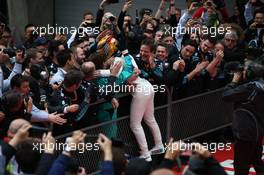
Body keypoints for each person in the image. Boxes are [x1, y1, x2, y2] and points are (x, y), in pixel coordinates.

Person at [222, 62, 264, 175]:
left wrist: (234, 81)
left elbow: (226, 95)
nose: (243, 72)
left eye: (245, 70)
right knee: (258, 163)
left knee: (241, 167)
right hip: (258, 131)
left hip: (245, 133)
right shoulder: (261, 85)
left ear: (250, 73)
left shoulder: (249, 88)